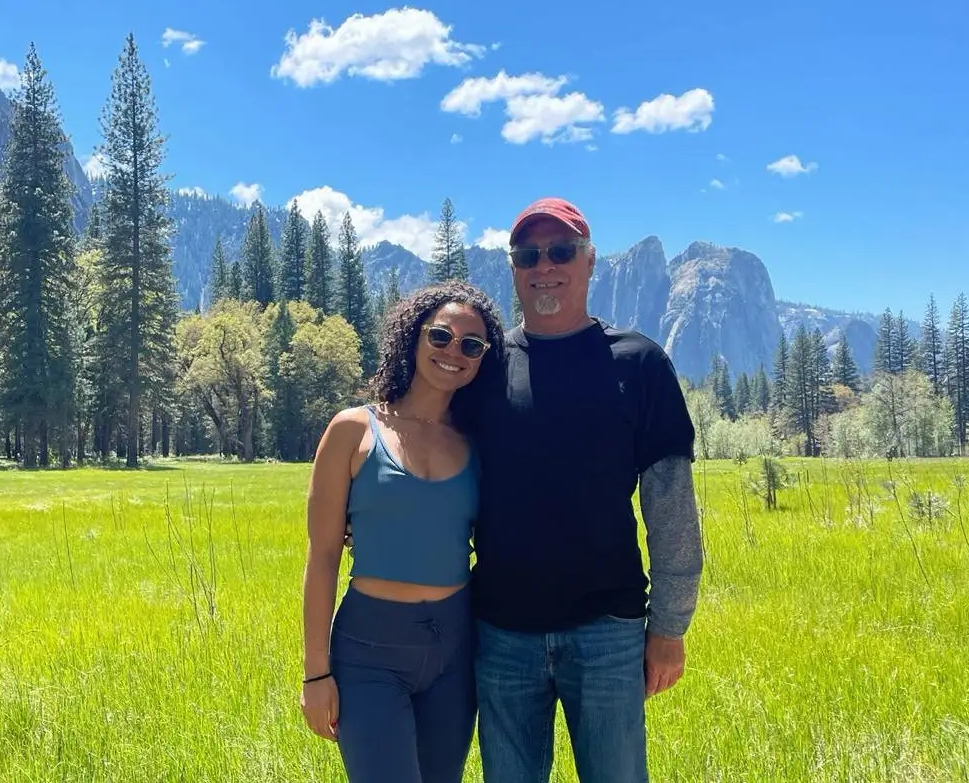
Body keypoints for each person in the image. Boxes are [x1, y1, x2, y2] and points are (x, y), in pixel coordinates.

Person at [469, 197, 704, 783]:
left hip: (609, 631)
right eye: (529, 254)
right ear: (514, 268)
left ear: (590, 260)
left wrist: (670, 628)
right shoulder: (483, 367)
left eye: (561, 251)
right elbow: (428, 457)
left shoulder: (641, 364)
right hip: (501, 632)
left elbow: (670, 510)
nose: (544, 265)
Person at [300, 282, 506, 783]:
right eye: (440, 336)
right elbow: (323, 556)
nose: (453, 352)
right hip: (369, 650)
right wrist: (316, 672)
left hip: (455, 650)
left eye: (471, 345)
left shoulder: (479, 443)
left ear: (482, 360)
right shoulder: (353, 430)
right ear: (413, 338)